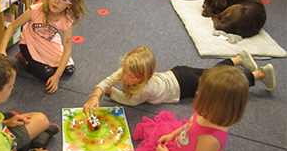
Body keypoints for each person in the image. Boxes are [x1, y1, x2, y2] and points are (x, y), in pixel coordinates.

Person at [83, 46, 275, 114]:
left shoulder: (144, 89)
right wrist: (96, 94)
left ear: (147, 76)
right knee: (212, 71)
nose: (125, 78)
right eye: (124, 72)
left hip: (185, 86)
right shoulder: (131, 69)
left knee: (219, 84)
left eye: (131, 77)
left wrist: (111, 93)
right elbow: (109, 79)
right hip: (178, 72)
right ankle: (239, 58)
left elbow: (129, 101)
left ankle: (260, 74)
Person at [0, 0, 87, 94]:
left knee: (69, 70)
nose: (57, 1)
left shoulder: (66, 20)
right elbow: (12, 27)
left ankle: (41, 63)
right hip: (29, 43)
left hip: (49, 43)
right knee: (46, 75)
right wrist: (2, 49)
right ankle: (23, 57)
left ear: (69, 5)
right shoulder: (35, 10)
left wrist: (57, 76)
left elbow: (67, 50)